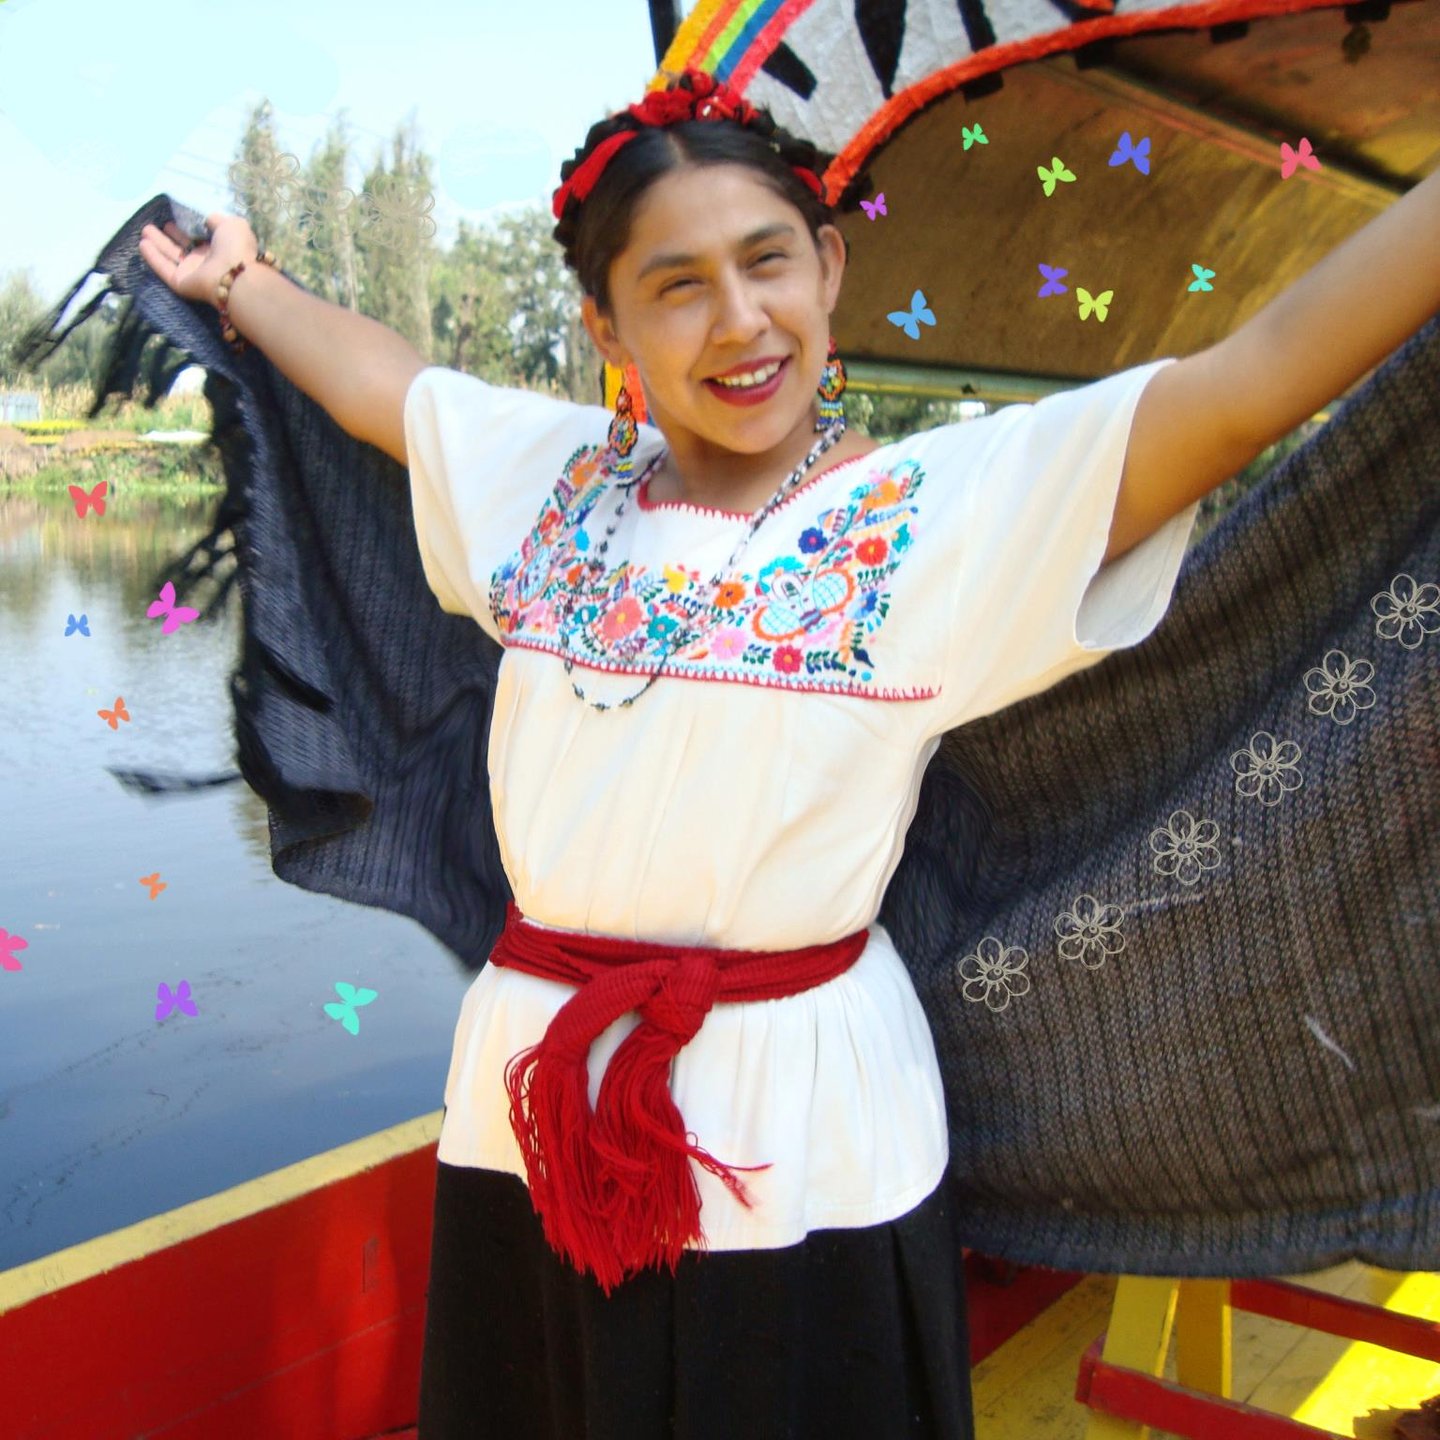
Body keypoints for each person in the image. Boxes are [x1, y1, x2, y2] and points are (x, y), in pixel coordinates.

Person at [132, 65, 1440, 1440]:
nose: (741, 320)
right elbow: (388, 391)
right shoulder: (552, 484)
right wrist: (242, 284)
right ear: (605, 324)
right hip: (538, 1091)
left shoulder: (937, 514)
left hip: (802, 1124)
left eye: (768, 262)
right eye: (677, 284)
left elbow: (1251, 381)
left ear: (829, 268)